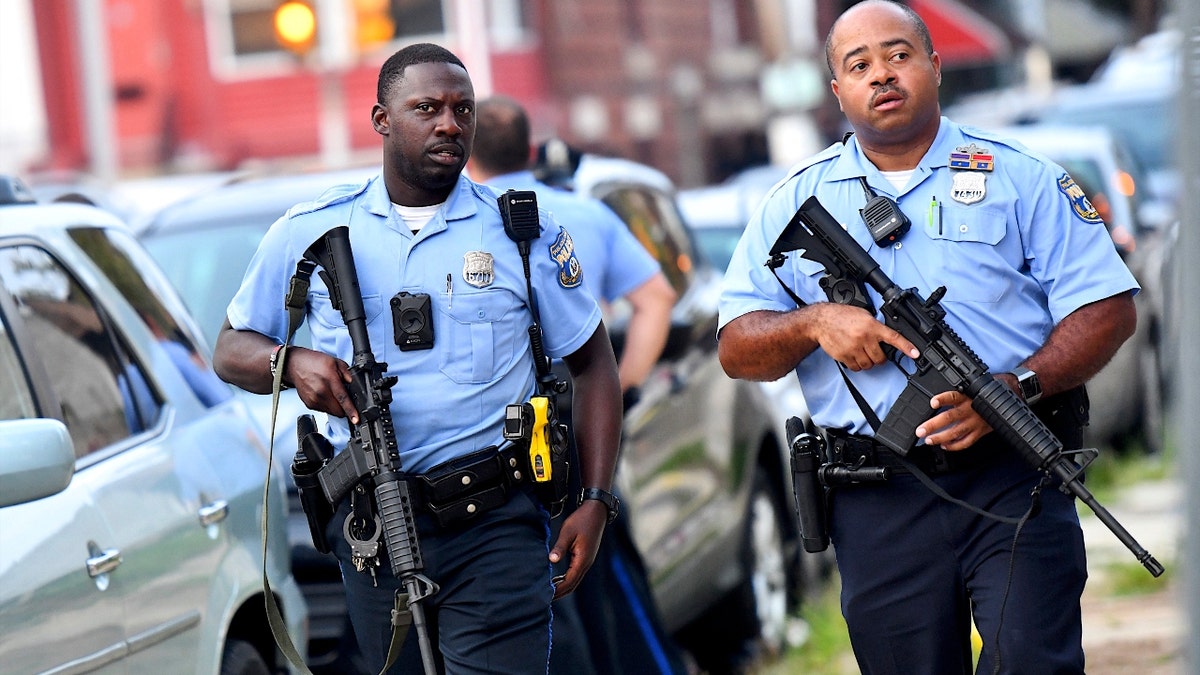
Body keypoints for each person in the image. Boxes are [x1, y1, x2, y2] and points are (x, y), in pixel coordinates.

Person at [716, 2, 1138, 673]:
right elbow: (738, 345)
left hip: (1013, 474)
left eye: (899, 55)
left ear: (935, 67)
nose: (882, 74)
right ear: (837, 90)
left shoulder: (1020, 176)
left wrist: (1016, 387)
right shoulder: (789, 203)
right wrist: (815, 322)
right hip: (876, 495)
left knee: (1033, 659)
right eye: (859, 65)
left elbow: (1109, 308)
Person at [212, 43, 623, 674]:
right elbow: (230, 348)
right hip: (373, 523)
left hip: (497, 521)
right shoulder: (309, 230)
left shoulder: (520, 235)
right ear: (382, 119)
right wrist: (291, 363)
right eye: (426, 108)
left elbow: (594, 364)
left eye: (463, 109)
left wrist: (595, 498)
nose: (448, 124)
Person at [467, 96, 686, 675]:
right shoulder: (577, 214)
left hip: (495, 445)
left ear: (467, 156)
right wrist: (624, 384)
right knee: (606, 570)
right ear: (532, 150)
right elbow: (657, 298)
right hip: (576, 417)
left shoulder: (462, 224)